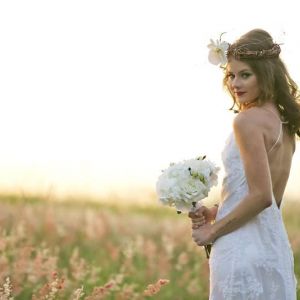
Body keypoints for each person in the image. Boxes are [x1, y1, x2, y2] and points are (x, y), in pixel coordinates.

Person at [189, 29, 299, 299]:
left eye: (245, 74)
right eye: (231, 75)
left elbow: (261, 197)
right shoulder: (285, 125)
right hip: (273, 251)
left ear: (266, 74)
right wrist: (216, 210)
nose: (235, 83)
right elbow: (268, 196)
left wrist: (211, 232)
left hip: (241, 249)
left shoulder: (247, 121)